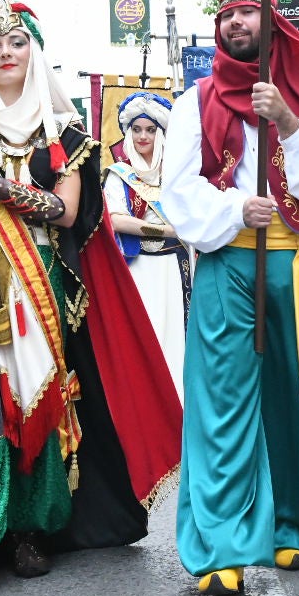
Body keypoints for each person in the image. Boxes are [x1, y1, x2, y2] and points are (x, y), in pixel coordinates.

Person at [0, 0, 180, 596]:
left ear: (34, 51)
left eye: (15, 42)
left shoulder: (64, 130)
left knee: (39, 401)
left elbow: (67, 212)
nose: (4, 53)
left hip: (41, 280)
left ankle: (32, 528)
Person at [161, 0, 299, 596]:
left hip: (297, 266)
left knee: (298, 399)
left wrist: (288, 122)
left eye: (247, 11)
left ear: (270, 21)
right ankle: (222, 546)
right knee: (221, 405)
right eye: (226, 15)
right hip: (228, 261)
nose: (235, 23)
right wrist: (233, 209)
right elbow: (177, 189)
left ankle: (292, 524)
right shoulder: (195, 101)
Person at [103, 91, 190, 396]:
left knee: (177, 337)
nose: (143, 136)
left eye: (150, 129)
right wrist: (164, 231)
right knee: (147, 335)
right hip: (139, 267)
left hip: (178, 267)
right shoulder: (119, 174)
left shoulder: (177, 173)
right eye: (136, 129)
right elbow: (116, 220)